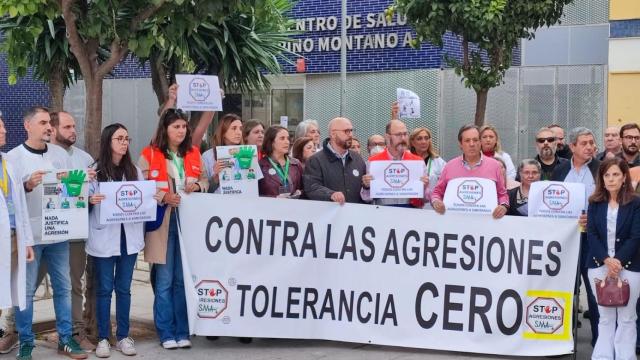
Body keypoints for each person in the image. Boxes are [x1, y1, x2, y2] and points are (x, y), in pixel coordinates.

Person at [6, 106, 87, 360]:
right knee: (26, 290)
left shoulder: (59, 154)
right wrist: (28, 185)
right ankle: (26, 341)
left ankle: (66, 339)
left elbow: (71, 190)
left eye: (48, 123)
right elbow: (8, 199)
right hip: (30, 236)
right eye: (42, 123)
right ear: (27, 126)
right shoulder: (13, 158)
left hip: (58, 234)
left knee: (63, 287)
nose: (48, 127)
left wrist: (79, 181)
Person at [139, 109, 208, 350]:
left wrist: (197, 186)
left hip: (188, 224)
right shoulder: (149, 154)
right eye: (176, 126)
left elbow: (206, 180)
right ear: (165, 129)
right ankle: (166, 331)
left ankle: (182, 330)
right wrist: (164, 196)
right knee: (165, 280)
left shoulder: (194, 153)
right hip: (163, 225)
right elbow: (143, 188)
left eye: (183, 127)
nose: (181, 131)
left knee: (182, 280)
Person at [87, 124, 145, 358]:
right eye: (119, 138)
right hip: (104, 238)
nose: (124, 142)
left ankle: (123, 336)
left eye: (127, 138)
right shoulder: (95, 170)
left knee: (124, 289)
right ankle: (103, 337)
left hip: (127, 240)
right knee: (103, 290)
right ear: (107, 141)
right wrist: (91, 199)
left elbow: (143, 202)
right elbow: (81, 201)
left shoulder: (135, 171)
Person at [49, 111, 95, 351]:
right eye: (67, 127)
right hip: (43, 232)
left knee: (74, 283)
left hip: (74, 233)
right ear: (54, 129)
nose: (73, 131)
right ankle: (15, 330)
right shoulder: (43, 155)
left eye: (74, 126)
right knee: (29, 284)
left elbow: (90, 197)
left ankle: (76, 332)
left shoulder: (85, 158)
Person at [586, 157, 640, 360]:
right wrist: (606, 260)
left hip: (630, 266)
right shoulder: (594, 202)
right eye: (606, 175)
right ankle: (602, 356)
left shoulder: (635, 203)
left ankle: (625, 356)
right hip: (599, 265)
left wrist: (616, 261)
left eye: (615, 174)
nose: (611, 179)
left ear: (624, 177)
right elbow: (591, 234)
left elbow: (636, 236)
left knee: (627, 317)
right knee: (605, 317)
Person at [551, 126, 600, 346]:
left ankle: (600, 338)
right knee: (566, 287)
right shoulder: (560, 171)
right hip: (565, 238)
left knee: (593, 288)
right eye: (584, 143)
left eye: (591, 143)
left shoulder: (601, 169)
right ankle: (564, 336)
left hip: (593, 238)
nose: (590, 147)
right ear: (572, 147)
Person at [0, 115, 35, 355]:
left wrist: (27, 241)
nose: (4, 129)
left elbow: (19, 204)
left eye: (3, 124)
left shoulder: (8, 163)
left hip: (12, 236)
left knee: (6, 290)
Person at [430, 124, 509, 219]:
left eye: (475, 140)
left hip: (486, 224)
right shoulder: (449, 166)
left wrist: (503, 206)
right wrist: (436, 202)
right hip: (455, 223)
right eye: (467, 141)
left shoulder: (495, 165)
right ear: (460, 144)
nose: (472, 144)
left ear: (480, 142)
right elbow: (437, 192)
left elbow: (502, 194)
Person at [361, 120, 429, 207]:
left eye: (405, 134)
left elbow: (426, 199)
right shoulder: (374, 162)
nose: (403, 138)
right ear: (387, 137)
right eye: (398, 135)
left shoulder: (417, 162)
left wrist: (424, 188)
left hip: (410, 213)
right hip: (383, 213)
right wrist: (367, 186)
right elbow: (366, 199)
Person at [303, 117, 366, 204]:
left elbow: (364, 190)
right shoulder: (315, 160)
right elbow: (312, 187)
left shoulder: (357, 158)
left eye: (351, 130)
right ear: (333, 134)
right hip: (328, 215)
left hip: (355, 215)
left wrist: (367, 185)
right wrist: (331, 194)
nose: (351, 134)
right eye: (346, 131)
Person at [202, 114, 244, 193]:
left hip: (242, 202)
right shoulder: (208, 156)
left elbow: (255, 185)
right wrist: (216, 176)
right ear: (223, 132)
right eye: (234, 128)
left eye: (241, 129)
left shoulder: (248, 153)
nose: (239, 132)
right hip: (217, 203)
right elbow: (203, 190)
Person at [258, 126, 304, 198]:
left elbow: (305, 189)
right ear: (271, 142)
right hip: (270, 208)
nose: (287, 142)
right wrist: (274, 198)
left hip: (294, 207)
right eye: (282, 138)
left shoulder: (296, 164)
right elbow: (255, 195)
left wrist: (300, 193)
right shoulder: (260, 166)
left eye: (288, 138)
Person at [409, 127, 446, 197]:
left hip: (431, 204)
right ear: (412, 142)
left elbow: (446, 183)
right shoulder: (407, 161)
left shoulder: (438, 162)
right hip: (410, 203)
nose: (424, 141)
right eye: (419, 139)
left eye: (426, 138)